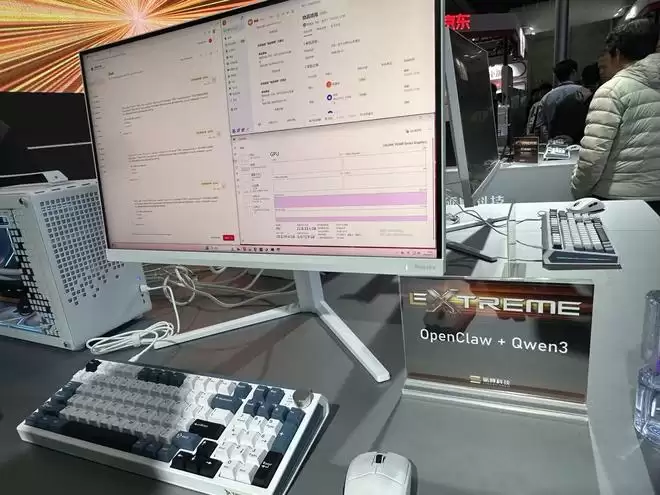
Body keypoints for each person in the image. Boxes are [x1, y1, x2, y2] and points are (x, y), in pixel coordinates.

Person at [572, 19, 660, 212]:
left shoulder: (612, 90)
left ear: (617, 54)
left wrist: (578, 192)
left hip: (619, 198)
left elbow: (593, 158)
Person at [534, 59, 590, 141]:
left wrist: (549, 141)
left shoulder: (546, 97)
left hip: (554, 142)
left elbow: (540, 125)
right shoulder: (585, 92)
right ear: (574, 72)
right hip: (579, 142)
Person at [549, 63, 601, 144]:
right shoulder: (599, 101)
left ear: (582, 79)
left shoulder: (555, 98)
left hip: (561, 146)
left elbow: (550, 129)